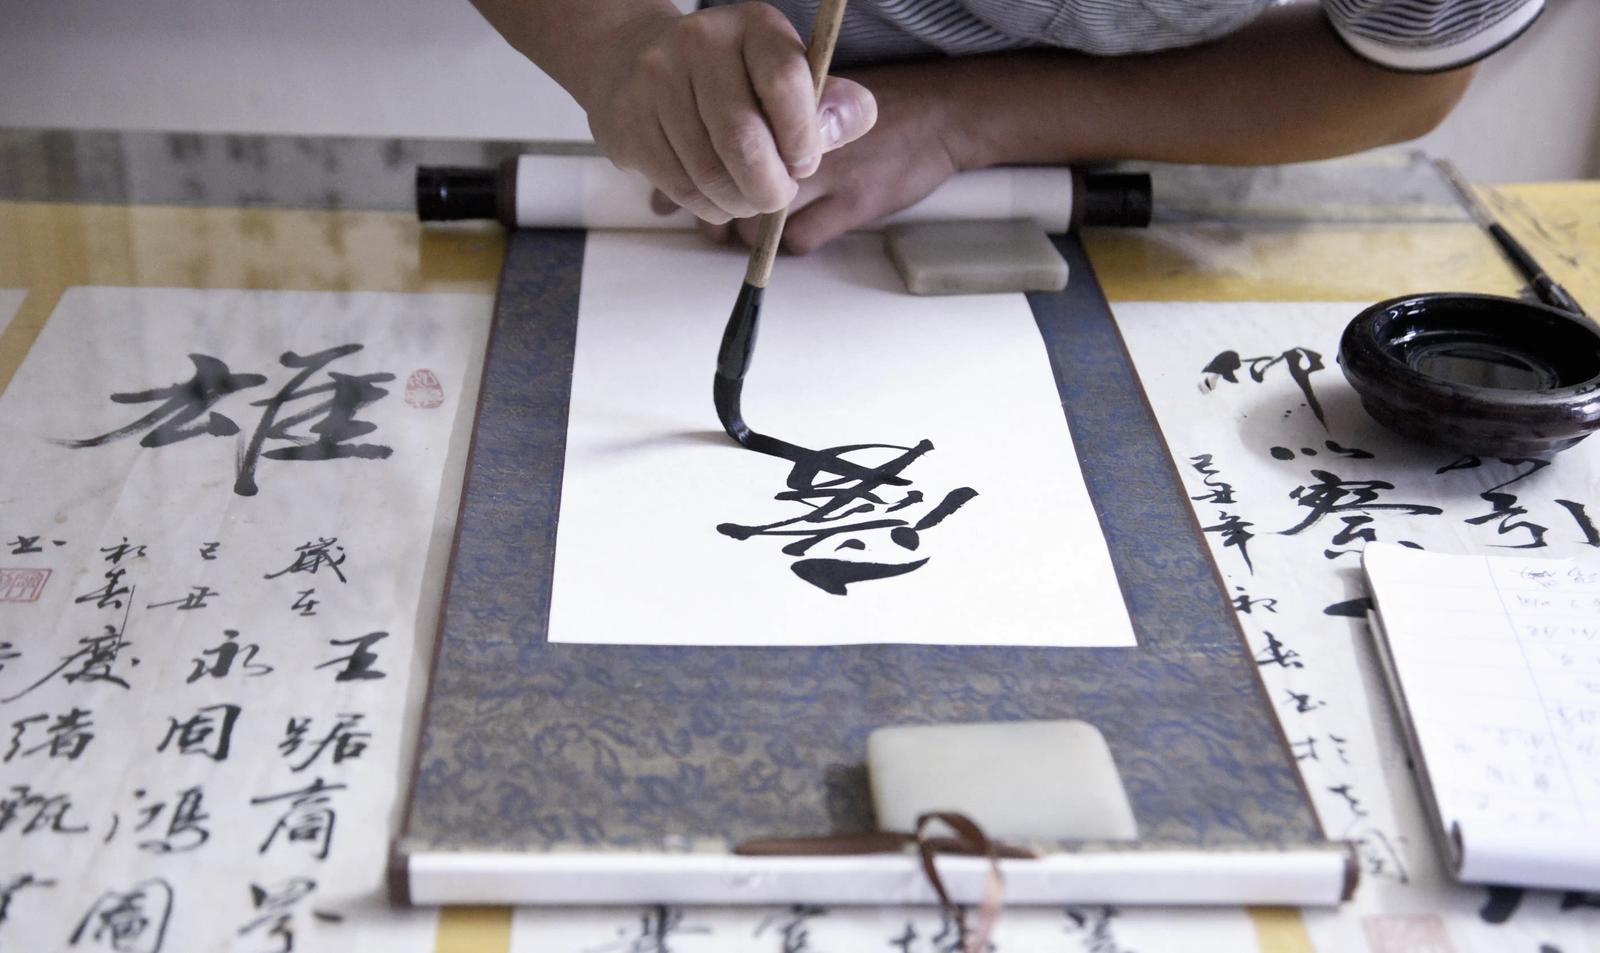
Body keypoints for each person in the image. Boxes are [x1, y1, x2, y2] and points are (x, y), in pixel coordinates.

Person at [470, 0, 1543, 251]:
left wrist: (968, 121)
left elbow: (1404, 69)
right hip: (757, 103)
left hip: (1134, 150)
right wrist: (611, 41)